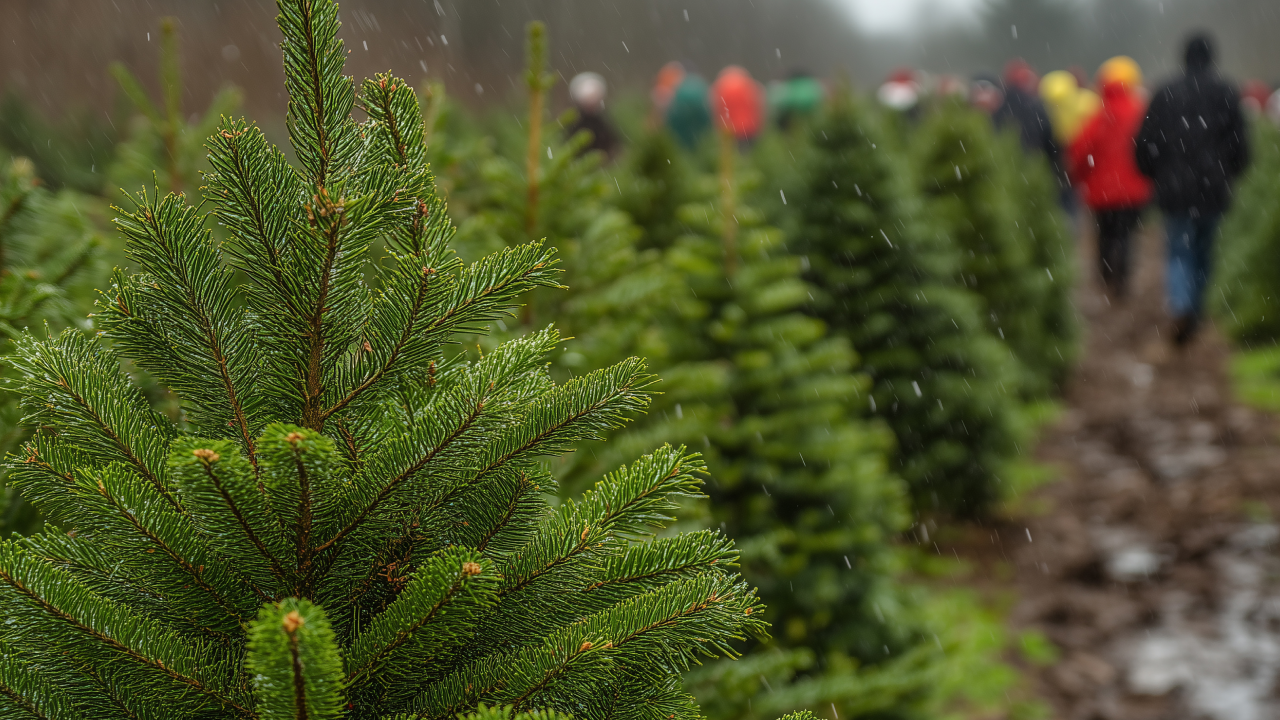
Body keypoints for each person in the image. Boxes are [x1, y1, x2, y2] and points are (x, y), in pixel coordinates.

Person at [1136, 33, 1250, 345]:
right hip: (1213, 188)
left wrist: (1151, 171)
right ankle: (1195, 311)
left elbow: (1146, 142)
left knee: (1178, 250)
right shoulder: (1226, 92)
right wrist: (1232, 173)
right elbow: (1240, 143)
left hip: (1174, 189)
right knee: (1204, 252)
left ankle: (1181, 305)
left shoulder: (1166, 93)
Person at [1068, 56, 1152, 299]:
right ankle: (1122, 279)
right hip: (1134, 189)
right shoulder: (1140, 112)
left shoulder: (1098, 115)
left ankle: (1105, 275)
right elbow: (1153, 148)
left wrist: (1078, 177)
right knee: (1126, 235)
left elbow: (1080, 150)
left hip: (1102, 192)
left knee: (1105, 234)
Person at [565, 72, 619, 159]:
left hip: (600, 163)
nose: (591, 101)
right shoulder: (574, 121)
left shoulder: (603, 121)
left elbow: (613, 141)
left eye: (594, 96)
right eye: (588, 97)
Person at [710, 66, 765, 147]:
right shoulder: (749, 86)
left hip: (728, 131)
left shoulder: (721, 87)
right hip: (748, 129)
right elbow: (758, 106)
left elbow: (716, 109)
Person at [666, 73, 711, 150]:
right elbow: (706, 120)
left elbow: (672, 119)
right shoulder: (699, 94)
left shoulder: (680, 92)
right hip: (697, 140)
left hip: (678, 140)